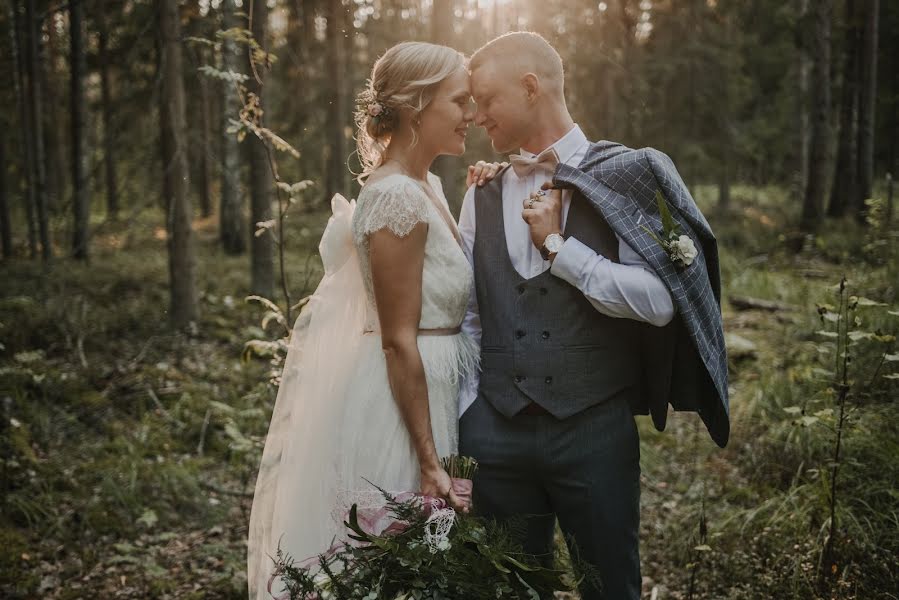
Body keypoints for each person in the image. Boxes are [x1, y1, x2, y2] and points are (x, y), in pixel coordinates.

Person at [458, 32, 730, 600]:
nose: (476, 114)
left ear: (531, 88)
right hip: (493, 438)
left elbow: (660, 303)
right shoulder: (479, 193)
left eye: (486, 99)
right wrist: (468, 418)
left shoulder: (626, 174)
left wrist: (560, 249)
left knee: (610, 588)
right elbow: (471, 319)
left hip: (592, 433)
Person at [246, 41, 504, 599]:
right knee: (397, 562)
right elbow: (396, 339)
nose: (472, 115)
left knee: (431, 563)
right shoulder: (394, 199)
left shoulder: (427, 187)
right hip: (404, 406)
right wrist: (429, 461)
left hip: (440, 387)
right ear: (416, 107)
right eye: (459, 101)